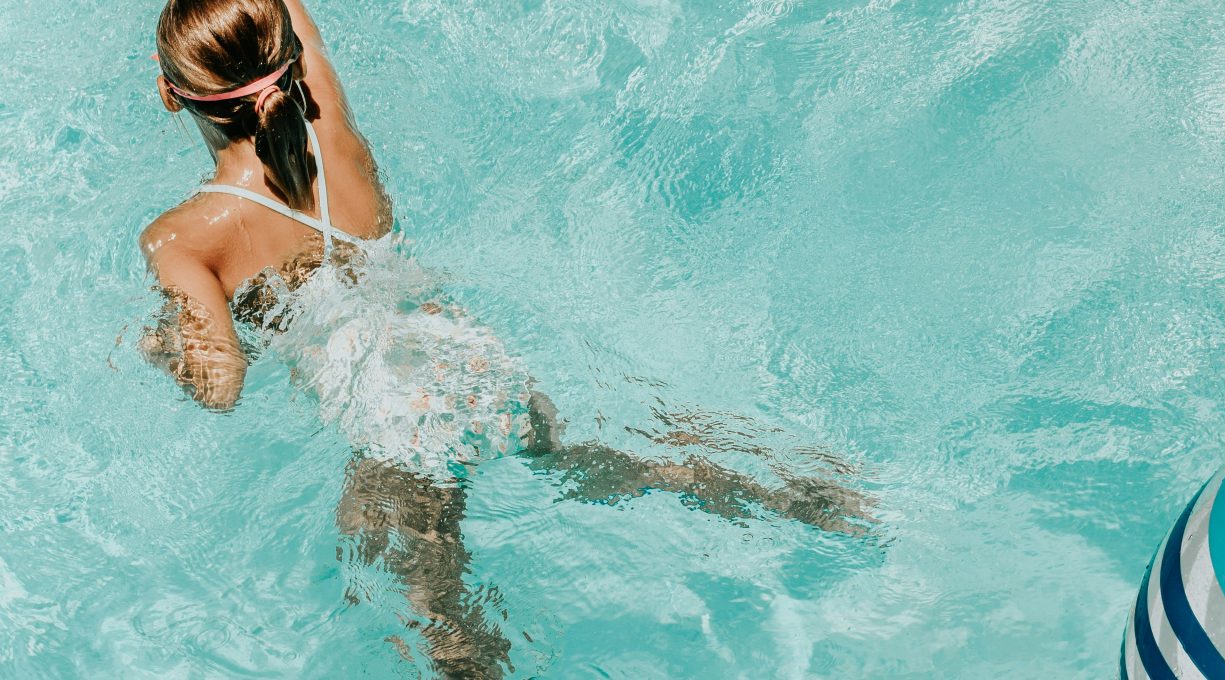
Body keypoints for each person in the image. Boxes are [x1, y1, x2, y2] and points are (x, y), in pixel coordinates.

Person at [136, 1, 871, 676]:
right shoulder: (332, 128)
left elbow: (220, 386)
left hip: (395, 428)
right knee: (594, 462)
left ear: (169, 94)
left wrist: (167, 346)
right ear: (291, 61)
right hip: (473, 362)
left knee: (435, 616)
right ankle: (815, 496)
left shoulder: (182, 237)